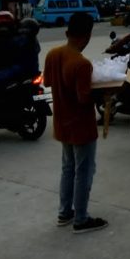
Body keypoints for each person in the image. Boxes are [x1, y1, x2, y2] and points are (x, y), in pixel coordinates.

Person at [43, 12, 108, 233]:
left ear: (67, 32)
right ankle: (81, 218)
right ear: (88, 36)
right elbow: (84, 98)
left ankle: (64, 212)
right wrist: (103, 94)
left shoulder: (53, 54)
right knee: (84, 171)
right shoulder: (81, 64)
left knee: (68, 168)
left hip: (62, 123)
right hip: (81, 127)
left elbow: (49, 82)